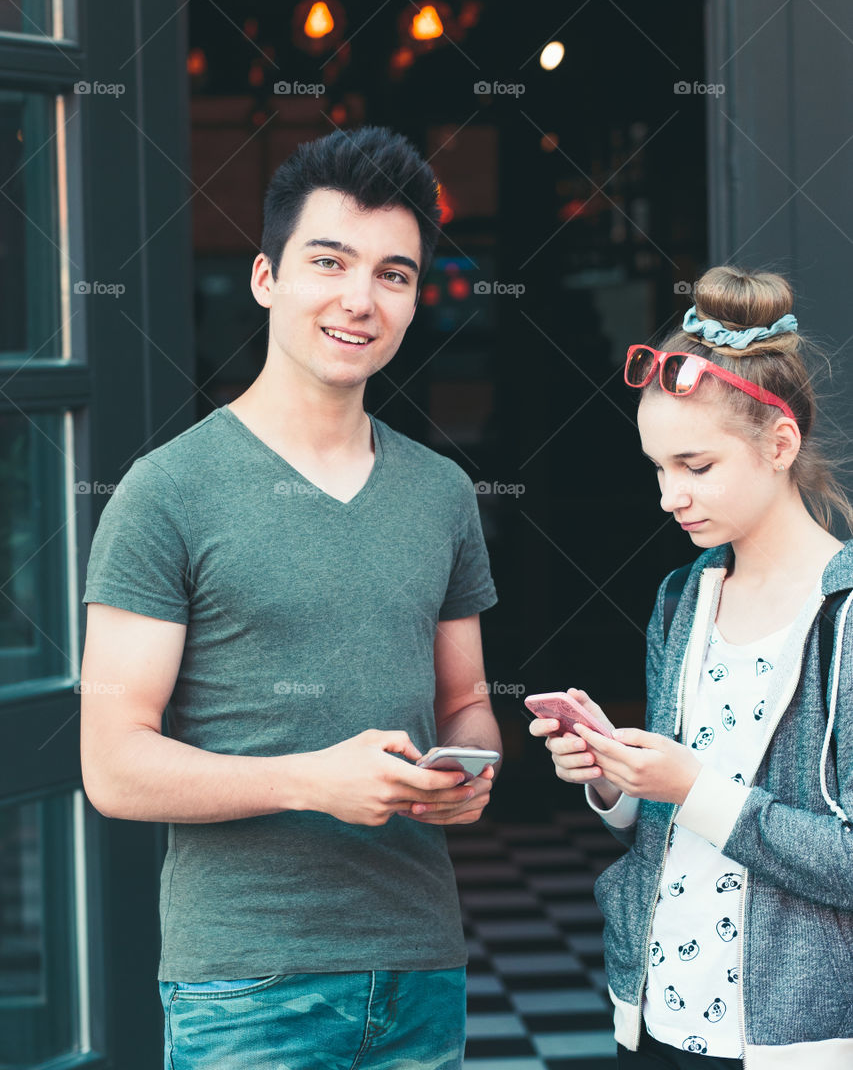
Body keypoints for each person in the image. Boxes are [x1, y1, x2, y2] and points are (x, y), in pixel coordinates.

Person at [80, 126, 501, 1070]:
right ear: (267, 277)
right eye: (329, 262)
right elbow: (112, 765)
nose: (360, 299)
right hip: (246, 984)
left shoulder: (440, 491)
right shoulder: (167, 490)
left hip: (420, 967)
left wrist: (471, 769)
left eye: (394, 274)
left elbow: (466, 700)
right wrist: (312, 780)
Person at [529, 266, 853, 1068]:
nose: (670, 495)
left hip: (793, 1038)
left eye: (695, 466)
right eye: (657, 468)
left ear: (779, 445)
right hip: (657, 1014)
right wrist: (612, 774)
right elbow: (664, 812)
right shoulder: (682, 598)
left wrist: (690, 786)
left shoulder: (843, 615)